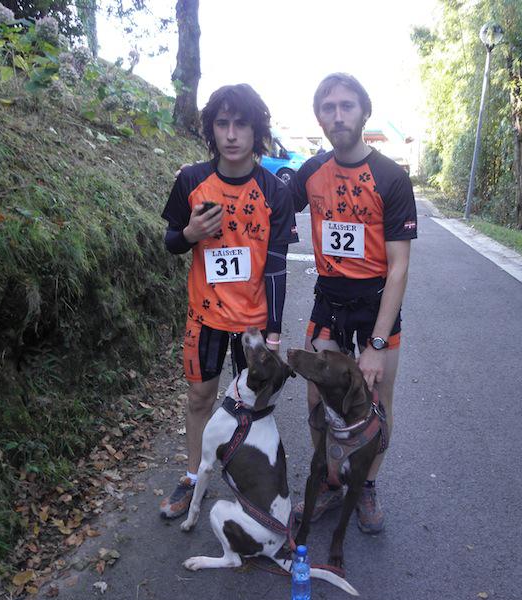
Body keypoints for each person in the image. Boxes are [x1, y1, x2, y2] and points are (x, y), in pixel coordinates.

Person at [159, 84, 298, 519]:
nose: (232, 134)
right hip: (204, 316)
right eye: (222, 124)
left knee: (253, 407)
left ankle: (247, 482)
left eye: (242, 124)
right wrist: (190, 234)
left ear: (257, 131)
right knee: (200, 398)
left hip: (252, 323)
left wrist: (274, 331)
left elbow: (276, 266)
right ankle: (192, 478)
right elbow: (170, 242)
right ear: (211, 129)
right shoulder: (191, 181)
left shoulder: (275, 191)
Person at [290, 73, 418, 534]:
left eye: (347, 106)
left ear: (364, 112)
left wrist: (377, 344)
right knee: (315, 397)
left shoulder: (391, 178)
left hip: (376, 306)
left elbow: (399, 267)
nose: (338, 115)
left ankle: (365, 484)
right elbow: (261, 200)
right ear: (319, 117)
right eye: (329, 108)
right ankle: (330, 480)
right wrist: (202, 176)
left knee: (377, 399)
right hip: (329, 301)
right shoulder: (311, 171)